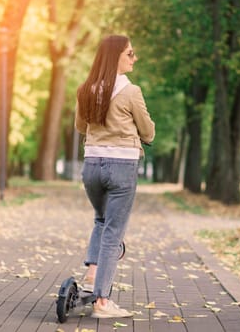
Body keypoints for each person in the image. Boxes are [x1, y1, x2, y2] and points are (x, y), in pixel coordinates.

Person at [74, 34, 155, 319]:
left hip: (92, 166)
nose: (134, 58)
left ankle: (92, 273)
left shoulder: (86, 90)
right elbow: (148, 132)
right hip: (121, 166)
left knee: (101, 219)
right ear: (116, 57)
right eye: (130, 54)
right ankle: (102, 303)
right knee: (113, 233)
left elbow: (80, 126)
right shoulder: (131, 92)